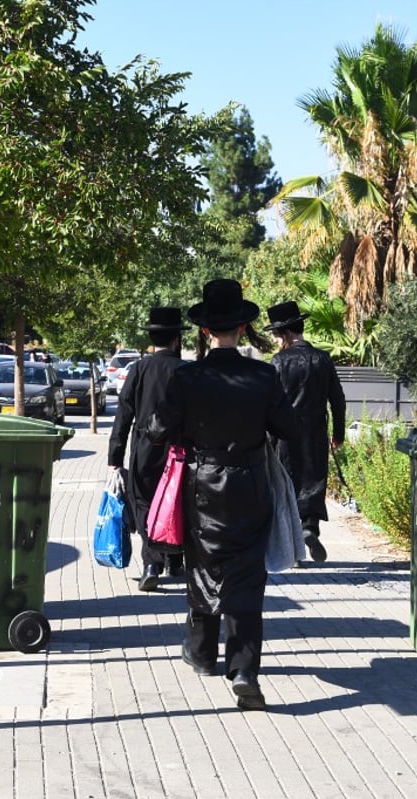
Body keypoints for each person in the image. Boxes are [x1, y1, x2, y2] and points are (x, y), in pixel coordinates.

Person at [146, 279, 298, 711]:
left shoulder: (187, 377)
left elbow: (157, 431)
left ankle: (201, 652)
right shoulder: (264, 375)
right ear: (243, 328)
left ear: (207, 331)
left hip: (202, 484)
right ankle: (245, 670)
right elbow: (291, 429)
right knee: (249, 575)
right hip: (251, 483)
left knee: (203, 565)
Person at [108, 307, 189, 591]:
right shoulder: (187, 371)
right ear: (177, 340)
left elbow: (123, 414)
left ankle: (152, 562)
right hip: (180, 451)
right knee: (177, 502)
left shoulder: (140, 369)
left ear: (152, 340)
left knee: (144, 504)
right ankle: (176, 560)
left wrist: (115, 456)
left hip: (145, 449)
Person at [263, 300, 347, 563]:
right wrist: (339, 434)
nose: (276, 341)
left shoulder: (277, 362)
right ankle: (310, 528)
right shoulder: (322, 359)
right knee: (313, 480)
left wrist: (265, 433)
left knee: (286, 483)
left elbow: (269, 402)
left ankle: (294, 548)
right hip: (316, 431)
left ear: (287, 333)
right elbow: (338, 399)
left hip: (284, 434)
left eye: (277, 336)